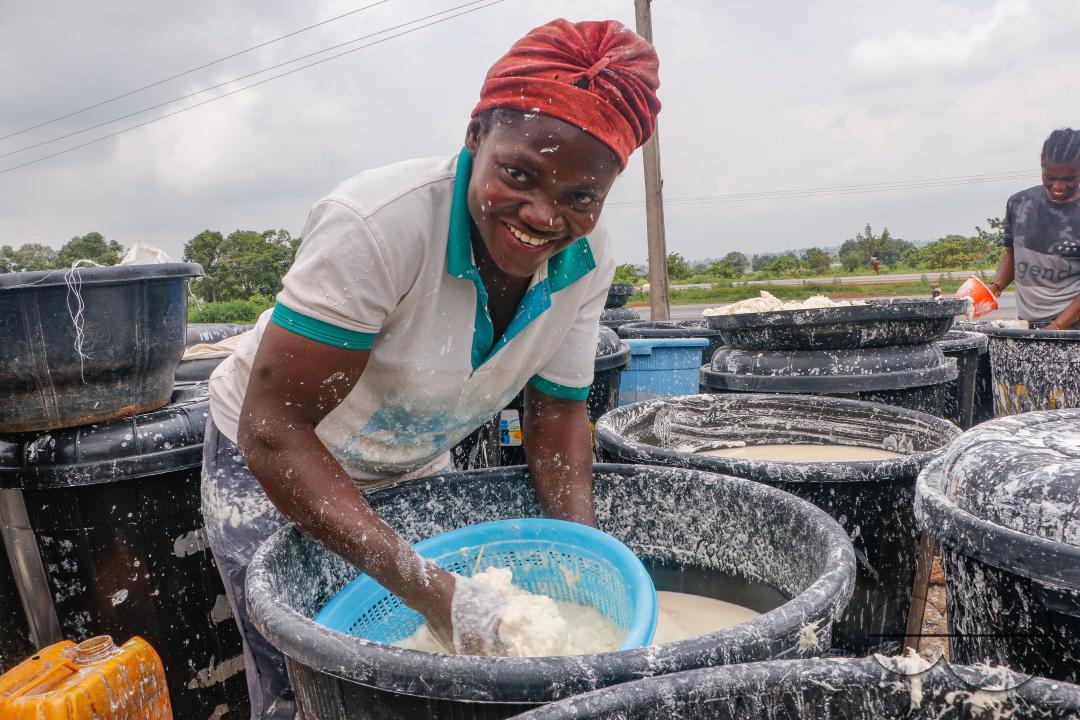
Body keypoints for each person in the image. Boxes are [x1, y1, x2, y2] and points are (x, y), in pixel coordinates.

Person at [200, 18, 661, 719]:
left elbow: (558, 413)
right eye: (519, 174)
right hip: (275, 461)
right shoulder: (381, 226)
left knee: (422, 685)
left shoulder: (588, 259)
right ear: (476, 135)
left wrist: (587, 561)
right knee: (310, 681)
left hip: (406, 459)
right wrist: (435, 593)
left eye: (580, 197)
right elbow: (275, 429)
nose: (542, 215)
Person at [988, 128, 1080, 330]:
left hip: (1073, 327)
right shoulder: (1019, 204)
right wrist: (994, 288)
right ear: (1042, 167)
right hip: (1027, 322)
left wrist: (1057, 327)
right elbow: (1013, 256)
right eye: (1050, 177)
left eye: (1069, 179)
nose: (1057, 186)